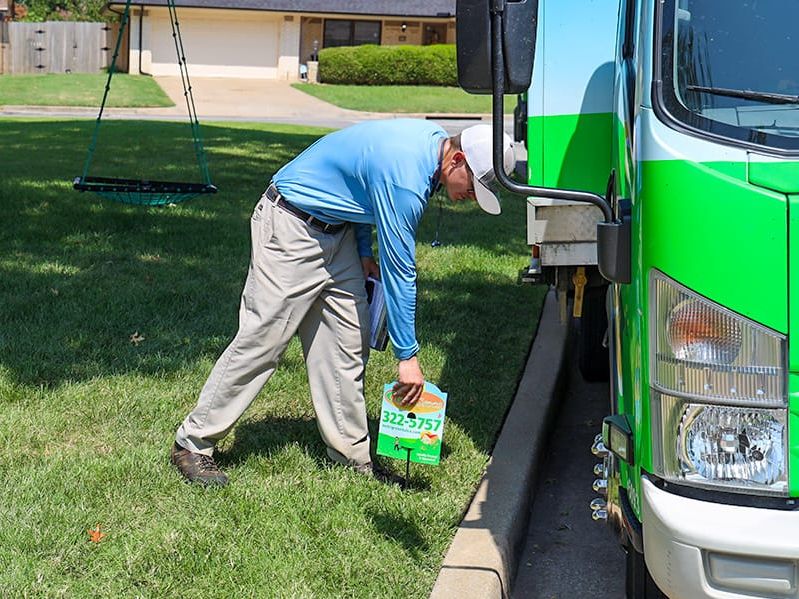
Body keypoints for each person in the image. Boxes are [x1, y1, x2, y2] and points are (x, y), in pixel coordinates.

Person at [170, 119, 515, 487]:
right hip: (292, 225)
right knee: (263, 340)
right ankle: (192, 443)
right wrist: (407, 358)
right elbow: (400, 272)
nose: (473, 198)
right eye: (475, 188)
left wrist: (364, 251)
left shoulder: (432, 145)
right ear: (457, 159)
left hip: (339, 233)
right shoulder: (406, 178)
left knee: (346, 343)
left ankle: (352, 457)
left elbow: (361, 185)